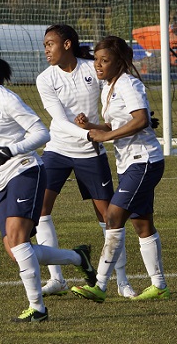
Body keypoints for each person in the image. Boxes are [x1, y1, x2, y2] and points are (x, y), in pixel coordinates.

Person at [0, 42, 97, 323]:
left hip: (25, 171)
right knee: (16, 250)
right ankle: (77, 258)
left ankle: (38, 309)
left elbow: (41, 133)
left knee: (19, 239)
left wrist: (11, 150)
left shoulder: (5, 98)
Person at [35, 25, 136, 298]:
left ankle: (122, 281)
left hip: (91, 153)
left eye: (50, 44)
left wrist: (134, 117)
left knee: (110, 218)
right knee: (40, 211)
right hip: (57, 149)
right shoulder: (45, 79)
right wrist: (90, 132)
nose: (45, 50)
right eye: (44, 45)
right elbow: (59, 121)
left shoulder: (93, 68)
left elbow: (119, 95)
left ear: (67, 44)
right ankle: (56, 279)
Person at [71, 36, 169, 302]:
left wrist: (105, 137)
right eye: (97, 60)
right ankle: (159, 286)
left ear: (120, 62)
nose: (98, 65)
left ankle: (100, 285)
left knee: (113, 216)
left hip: (144, 161)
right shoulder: (108, 88)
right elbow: (114, 126)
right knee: (142, 223)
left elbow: (141, 119)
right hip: (129, 163)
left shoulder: (129, 83)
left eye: (105, 60)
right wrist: (91, 126)